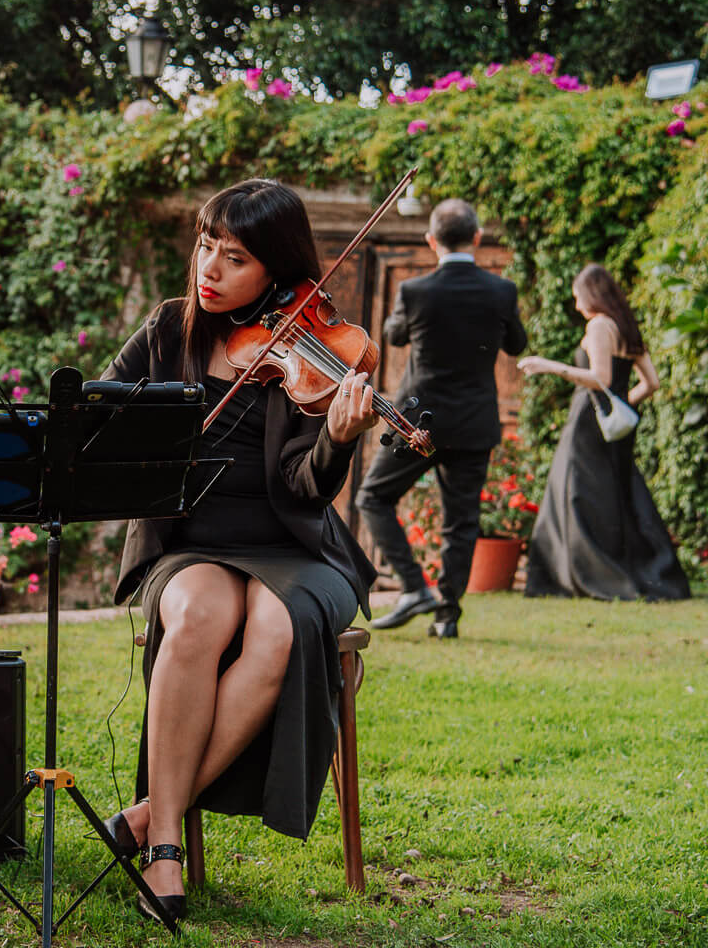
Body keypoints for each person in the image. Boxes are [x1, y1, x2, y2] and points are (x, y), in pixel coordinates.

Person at [98, 179, 379, 925]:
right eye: (206, 246)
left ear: (278, 272)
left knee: (279, 627)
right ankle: (166, 850)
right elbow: (101, 414)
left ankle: (152, 821)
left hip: (292, 547)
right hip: (189, 546)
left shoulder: (310, 351)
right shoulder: (167, 331)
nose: (210, 269)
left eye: (236, 258)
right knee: (194, 614)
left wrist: (338, 439)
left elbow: (302, 488)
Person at [355, 198, 527, 639]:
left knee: (372, 498)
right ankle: (446, 616)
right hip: (473, 423)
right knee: (461, 520)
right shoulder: (501, 291)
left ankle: (414, 587)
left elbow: (393, 335)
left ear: (431, 240)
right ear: (477, 237)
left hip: (420, 422)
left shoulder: (415, 292)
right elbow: (516, 346)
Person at [516, 263, 689, 600]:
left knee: (574, 491)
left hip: (589, 420)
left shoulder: (599, 326)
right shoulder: (627, 328)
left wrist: (549, 366)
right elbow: (651, 383)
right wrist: (622, 408)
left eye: (578, 298)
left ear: (591, 295)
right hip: (618, 426)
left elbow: (600, 378)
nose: (578, 306)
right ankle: (629, 568)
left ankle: (581, 574)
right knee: (616, 495)